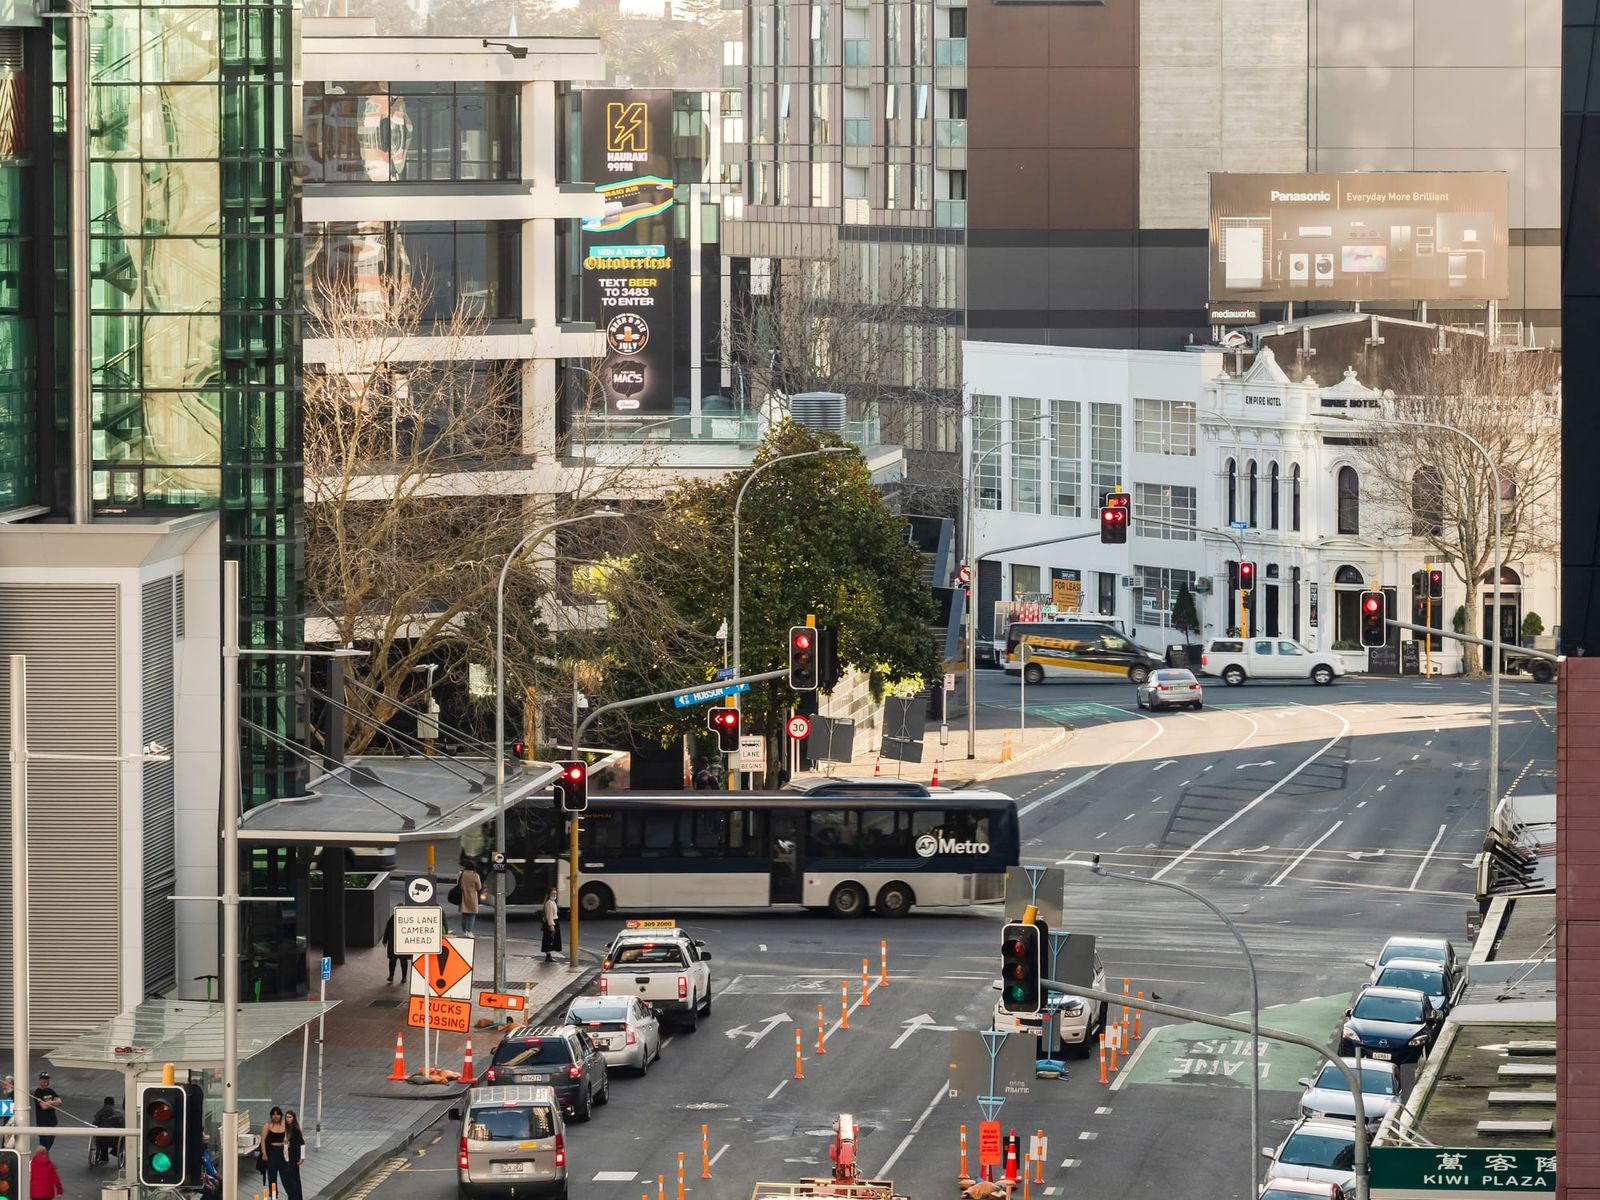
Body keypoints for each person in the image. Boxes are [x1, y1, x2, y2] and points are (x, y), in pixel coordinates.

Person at [258, 1106, 289, 1194]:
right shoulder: (267, 1126)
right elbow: (263, 1140)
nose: (276, 1116)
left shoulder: (285, 1125)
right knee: (272, 1176)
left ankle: (291, 1194)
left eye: (278, 1114)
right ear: (271, 1115)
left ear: (281, 1115)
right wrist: (264, 1153)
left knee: (285, 1176)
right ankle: (274, 1195)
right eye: (274, 1114)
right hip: (272, 1152)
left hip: (283, 1152)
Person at [280, 1110, 307, 1200]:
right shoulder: (286, 1128)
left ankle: (295, 1197)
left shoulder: (295, 1129)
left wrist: (302, 1157)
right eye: (286, 1117)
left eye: (290, 1117)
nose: (288, 1119)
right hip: (288, 1156)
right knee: (292, 1178)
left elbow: (302, 1143)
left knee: (292, 1178)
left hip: (293, 1157)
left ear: (293, 1118)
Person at [91, 1095, 123, 1165]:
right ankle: (115, 1152)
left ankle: (104, 1157)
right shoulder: (118, 1113)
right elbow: (122, 1125)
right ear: (113, 1103)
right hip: (114, 1140)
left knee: (101, 1137)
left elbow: (94, 1124)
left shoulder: (99, 1113)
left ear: (104, 1103)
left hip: (100, 1140)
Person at [30, 1074, 60, 1150]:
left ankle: (44, 1157)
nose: (46, 1083)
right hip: (43, 1123)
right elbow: (43, 1107)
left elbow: (59, 1102)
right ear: (40, 1081)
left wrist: (49, 1103)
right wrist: (53, 1103)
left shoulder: (50, 1091)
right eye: (44, 1081)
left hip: (53, 1122)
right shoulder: (38, 1092)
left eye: (47, 1081)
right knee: (44, 1145)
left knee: (49, 1144)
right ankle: (41, 1156)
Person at [381, 911, 410, 985]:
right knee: (393, 960)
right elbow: (388, 929)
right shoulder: (393, 917)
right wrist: (385, 940)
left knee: (402, 960)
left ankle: (403, 977)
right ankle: (391, 976)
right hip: (394, 943)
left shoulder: (407, 918)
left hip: (402, 943)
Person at [457, 862, 483, 935]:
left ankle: (464, 931)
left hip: (463, 896)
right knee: (471, 915)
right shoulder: (475, 875)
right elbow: (479, 887)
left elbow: (458, 883)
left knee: (464, 915)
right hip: (472, 897)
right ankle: (469, 931)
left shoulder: (462, 874)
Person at [541, 888, 562, 964]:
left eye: (555, 893)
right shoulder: (549, 903)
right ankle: (548, 956)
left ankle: (548, 956)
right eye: (553, 893)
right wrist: (551, 925)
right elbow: (549, 915)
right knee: (549, 939)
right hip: (552, 922)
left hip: (554, 921)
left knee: (550, 939)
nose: (554, 895)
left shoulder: (553, 902)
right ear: (549, 894)